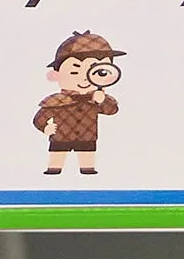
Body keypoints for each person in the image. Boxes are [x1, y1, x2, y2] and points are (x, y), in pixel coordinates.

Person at [32, 32, 122, 177]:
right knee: (57, 156)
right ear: (54, 76)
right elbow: (40, 118)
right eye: (75, 71)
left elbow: (112, 110)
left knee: (87, 156)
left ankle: (87, 169)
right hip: (61, 137)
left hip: (87, 136)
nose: (85, 79)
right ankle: (54, 169)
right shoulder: (56, 101)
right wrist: (45, 127)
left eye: (101, 72)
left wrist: (102, 100)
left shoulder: (96, 98)